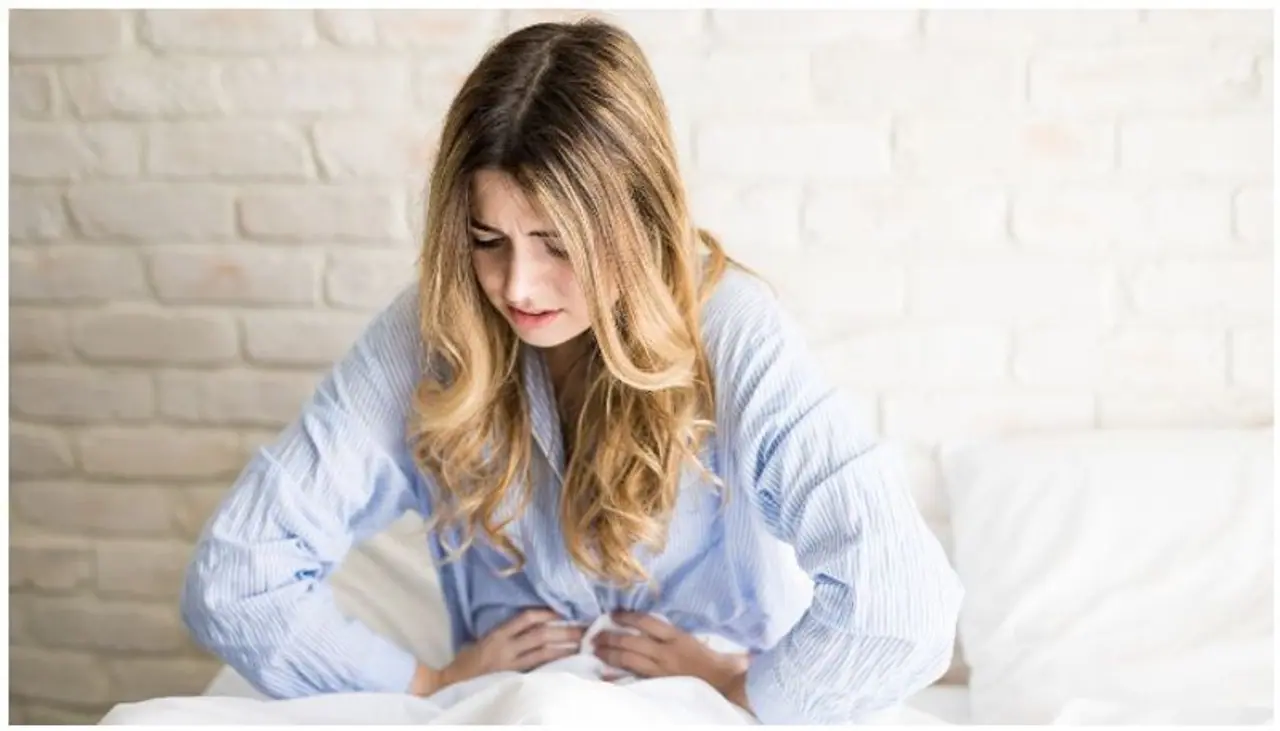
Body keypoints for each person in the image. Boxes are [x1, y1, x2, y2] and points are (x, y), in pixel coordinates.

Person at [180, 18, 963, 725]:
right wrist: (422, 684)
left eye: (558, 243)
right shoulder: (432, 331)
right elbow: (237, 575)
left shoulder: (732, 330)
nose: (518, 286)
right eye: (488, 239)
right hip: (509, 706)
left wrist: (747, 690)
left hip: (708, 707)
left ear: (637, 220)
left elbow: (900, 599)